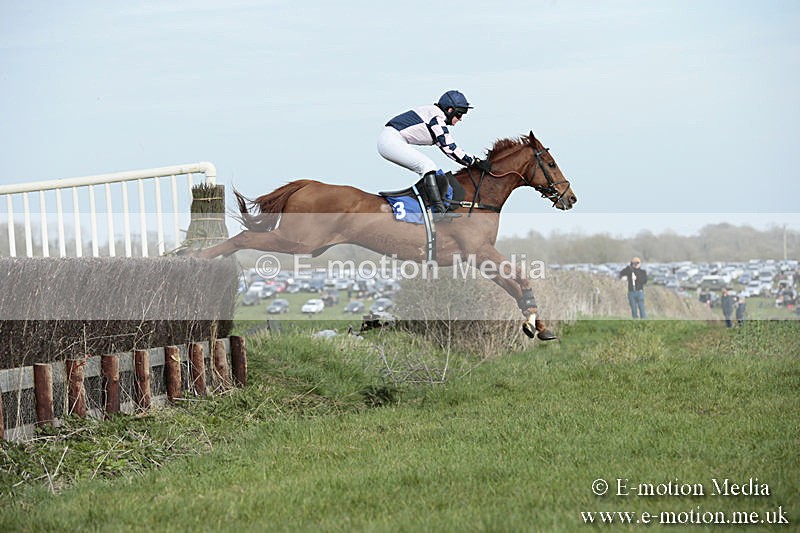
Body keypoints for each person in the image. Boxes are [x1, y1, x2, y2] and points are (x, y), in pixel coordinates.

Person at [378, 90, 492, 221]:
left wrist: (472, 162)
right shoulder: (437, 117)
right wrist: (474, 161)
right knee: (427, 166)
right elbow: (450, 148)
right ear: (450, 110)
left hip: (390, 139)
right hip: (390, 140)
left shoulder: (434, 116)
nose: (460, 118)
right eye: (460, 114)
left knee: (429, 168)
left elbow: (449, 150)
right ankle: (438, 211)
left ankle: (429, 206)